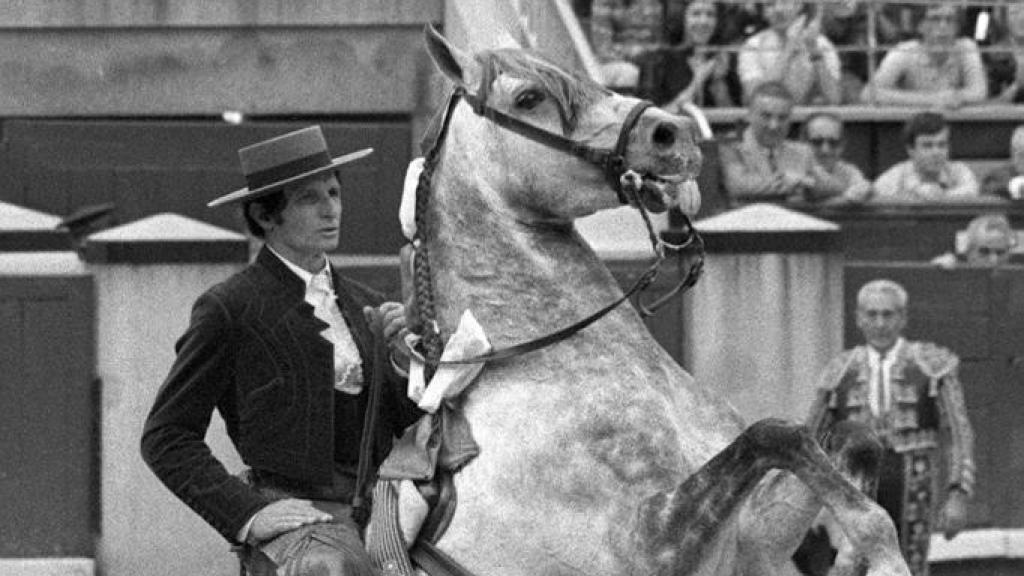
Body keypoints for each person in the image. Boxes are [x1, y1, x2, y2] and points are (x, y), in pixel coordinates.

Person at [140, 126, 423, 576]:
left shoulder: (364, 303)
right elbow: (166, 437)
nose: (332, 209)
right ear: (265, 215)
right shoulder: (230, 307)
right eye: (309, 199)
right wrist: (249, 515)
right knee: (328, 570)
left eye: (334, 192)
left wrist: (402, 362)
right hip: (294, 515)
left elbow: (401, 422)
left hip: (380, 506)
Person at [807, 279, 975, 576]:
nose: (880, 323)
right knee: (852, 568)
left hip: (914, 485)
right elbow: (810, 442)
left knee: (909, 566)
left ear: (903, 318)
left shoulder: (932, 365)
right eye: (872, 315)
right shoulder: (840, 370)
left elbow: (959, 433)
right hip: (855, 486)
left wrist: (958, 493)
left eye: (888, 314)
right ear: (859, 318)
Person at [861, 4, 987, 109]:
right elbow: (869, 94)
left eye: (950, 20)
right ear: (920, 26)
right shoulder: (904, 50)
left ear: (957, 27)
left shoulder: (966, 47)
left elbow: (979, 92)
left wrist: (955, 97)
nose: (943, 26)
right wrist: (932, 100)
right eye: (935, 19)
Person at [718, 81, 817, 205]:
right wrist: (793, 181)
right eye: (766, 116)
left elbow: (821, 185)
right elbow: (739, 186)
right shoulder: (731, 147)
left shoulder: (804, 152)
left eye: (782, 118)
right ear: (749, 115)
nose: (774, 125)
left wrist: (809, 183)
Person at [737, 0, 842, 105]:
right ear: (764, 13)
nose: (779, 10)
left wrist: (813, 48)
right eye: (770, 4)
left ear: (799, 5)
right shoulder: (753, 45)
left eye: (785, 2)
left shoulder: (820, 43)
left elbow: (834, 99)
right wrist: (789, 46)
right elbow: (754, 97)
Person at [872, 111, 979, 202]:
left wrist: (939, 197)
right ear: (911, 150)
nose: (936, 152)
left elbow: (972, 191)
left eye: (942, 145)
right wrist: (914, 195)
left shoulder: (959, 171)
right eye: (927, 146)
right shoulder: (892, 179)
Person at [660, 0, 742, 110]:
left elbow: (733, 118)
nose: (704, 22)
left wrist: (718, 81)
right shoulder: (663, 59)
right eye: (696, 14)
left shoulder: (725, 57)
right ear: (682, 18)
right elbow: (660, 116)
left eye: (710, 15)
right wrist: (698, 81)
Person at [589, 0, 670, 90]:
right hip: (613, 64)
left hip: (649, 60)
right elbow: (604, 50)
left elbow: (657, 42)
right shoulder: (604, 3)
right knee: (628, 72)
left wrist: (648, 52)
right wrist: (633, 52)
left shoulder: (653, 4)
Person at [801, 111, 872, 204]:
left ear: (842, 145)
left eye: (833, 142)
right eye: (817, 142)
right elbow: (816, 187)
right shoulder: (792, 167)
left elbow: (865, 188)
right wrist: (846, 196)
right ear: (802, 143)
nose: (825, 150)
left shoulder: (848, 171)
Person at [931, 213, 1017, 268]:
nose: (993, 260)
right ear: (968, 250)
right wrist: (938, 272)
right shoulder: (955, 272)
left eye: (1000, 252)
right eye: (984, 251)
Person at [982, 3, 1024, 104]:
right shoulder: (992, 56)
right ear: (1005, 18)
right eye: (1015, 13)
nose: (1022, 18)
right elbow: (988, 106)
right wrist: (1017, 86)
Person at [982, 125, 1024, 200]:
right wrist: (1017, 185)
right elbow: (989, 188)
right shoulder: (998, 176)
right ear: (1013, 154)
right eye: (1022, 155)